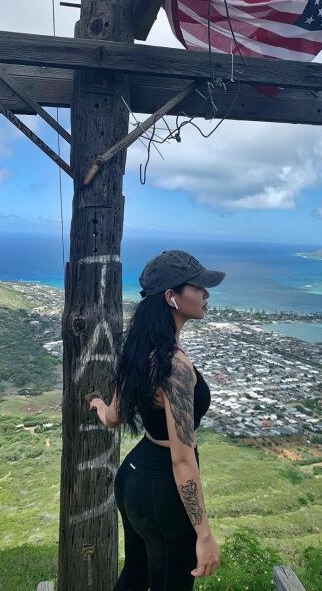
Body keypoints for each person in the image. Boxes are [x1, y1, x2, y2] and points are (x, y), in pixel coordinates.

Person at [88, 250, 225, 591]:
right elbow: (182, 460)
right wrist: (204, 536)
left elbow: (114, 417)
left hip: (133, 479)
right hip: (162, 490)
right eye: (198, 287)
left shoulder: (138, 348)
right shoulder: (174, 367)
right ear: (171, 297)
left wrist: (99, 406)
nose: (206, 294)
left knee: (135, 575)